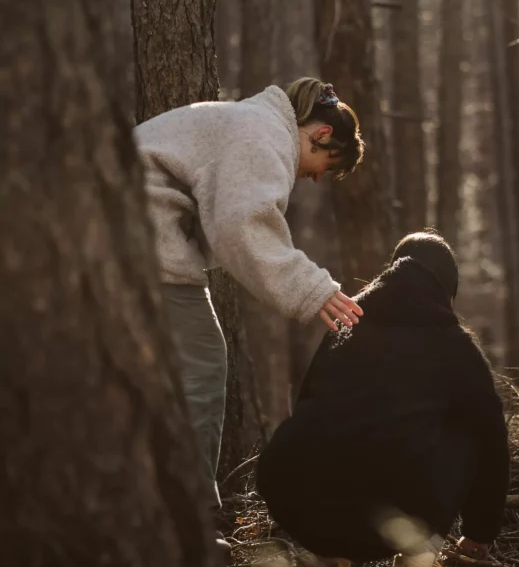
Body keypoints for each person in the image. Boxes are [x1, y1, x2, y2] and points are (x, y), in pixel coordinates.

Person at [134, 77, 364, 506]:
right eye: (326, 164)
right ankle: (189, 515)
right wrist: (310, 289)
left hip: (122, 239)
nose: (315, 178)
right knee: (200, 363)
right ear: (322, 134)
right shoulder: (263, 134)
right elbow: (242, 226)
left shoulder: (250, 122)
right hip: (138, 246)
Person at [257, 231, 510, 567]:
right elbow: (492, 439)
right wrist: (480, 532)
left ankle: (327, 564)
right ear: (446, 288)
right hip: (394, 514)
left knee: (328, 430)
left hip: (299, 502)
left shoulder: (345, 322)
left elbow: (310, 407)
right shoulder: (453, 343)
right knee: (470, 429)